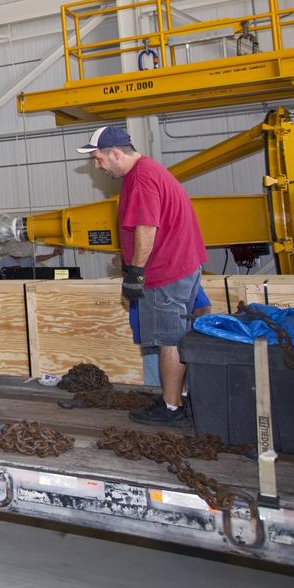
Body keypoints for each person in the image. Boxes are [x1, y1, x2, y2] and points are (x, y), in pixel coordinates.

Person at [78, 125, 206, 427]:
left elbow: (147, 229)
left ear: (116, 153)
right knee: (175, 335)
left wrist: (135, 273)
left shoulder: (141, 180)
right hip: (182, 264)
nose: (97, 166)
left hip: (166, 272)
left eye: (98, 159)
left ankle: (172, 408)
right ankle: (177, 397)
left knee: (168, 339)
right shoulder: (149, 171)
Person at [131, 286, 211, 387]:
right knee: (155, 391)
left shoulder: (171, 274)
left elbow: (203, 307)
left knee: (176, 391)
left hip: (172, 345)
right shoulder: (138, 278)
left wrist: (191, 339)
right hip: (148, 341)